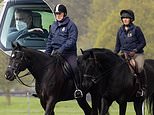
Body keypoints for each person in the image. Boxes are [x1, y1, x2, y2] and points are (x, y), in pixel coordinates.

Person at [45, 4, 83, 98]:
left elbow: (72, 40)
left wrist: (61, 49)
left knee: (74, 67)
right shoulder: (53, 26)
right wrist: (46, 54)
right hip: (55, 53)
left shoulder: (71, 25)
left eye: (59, 13)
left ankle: (78, 89)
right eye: (56, 14)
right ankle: (43, 89)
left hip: (68, 54)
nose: (57, 15)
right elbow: (50, 40)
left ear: (64, 14)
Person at [114, 9, 146, 97]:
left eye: (127, 18)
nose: (125, 20)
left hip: (137, 54)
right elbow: (117, 45)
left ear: (131, 19)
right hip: (124, 54)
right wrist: (114, 54)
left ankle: (142, 88)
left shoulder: (136, 29)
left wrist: (135, 50)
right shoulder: (120, 30)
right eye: (123, 18)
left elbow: (143, 42)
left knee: (139, 68)